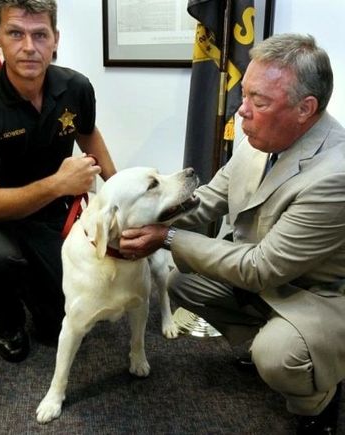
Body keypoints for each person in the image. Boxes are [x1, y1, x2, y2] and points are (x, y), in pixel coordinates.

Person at [119, 33, 345, 434]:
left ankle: (318, 397)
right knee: (180, 280)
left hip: (318, 295)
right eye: (246, 95)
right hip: (264, 277)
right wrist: (145, 217)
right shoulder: (261, 137)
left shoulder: (335, 175)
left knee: (278, 357)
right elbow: (207, 200)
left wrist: (165, 239)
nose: (242, 111)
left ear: (305, 109)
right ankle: (265, 336)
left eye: (259, 102)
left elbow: (261, 268)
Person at [0, 0, 116, 363]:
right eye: (16, 33)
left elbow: (88, 134)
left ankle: (34, 285)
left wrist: (118, 192)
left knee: (59, 321)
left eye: (40, 34)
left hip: (45, 211)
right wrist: (60, 184)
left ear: (55, 39)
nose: (29, 46)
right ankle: (8, 315)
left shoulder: (76, 87)